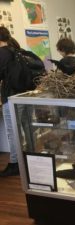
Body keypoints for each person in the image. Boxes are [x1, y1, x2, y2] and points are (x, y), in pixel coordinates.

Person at [0, 27, 24, 176]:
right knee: (21, 131)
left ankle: (15, 163)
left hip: (10, 97)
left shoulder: (2, 53)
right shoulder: (16, 49)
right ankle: (23, 160)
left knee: (12, 132)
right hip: (22, 96)